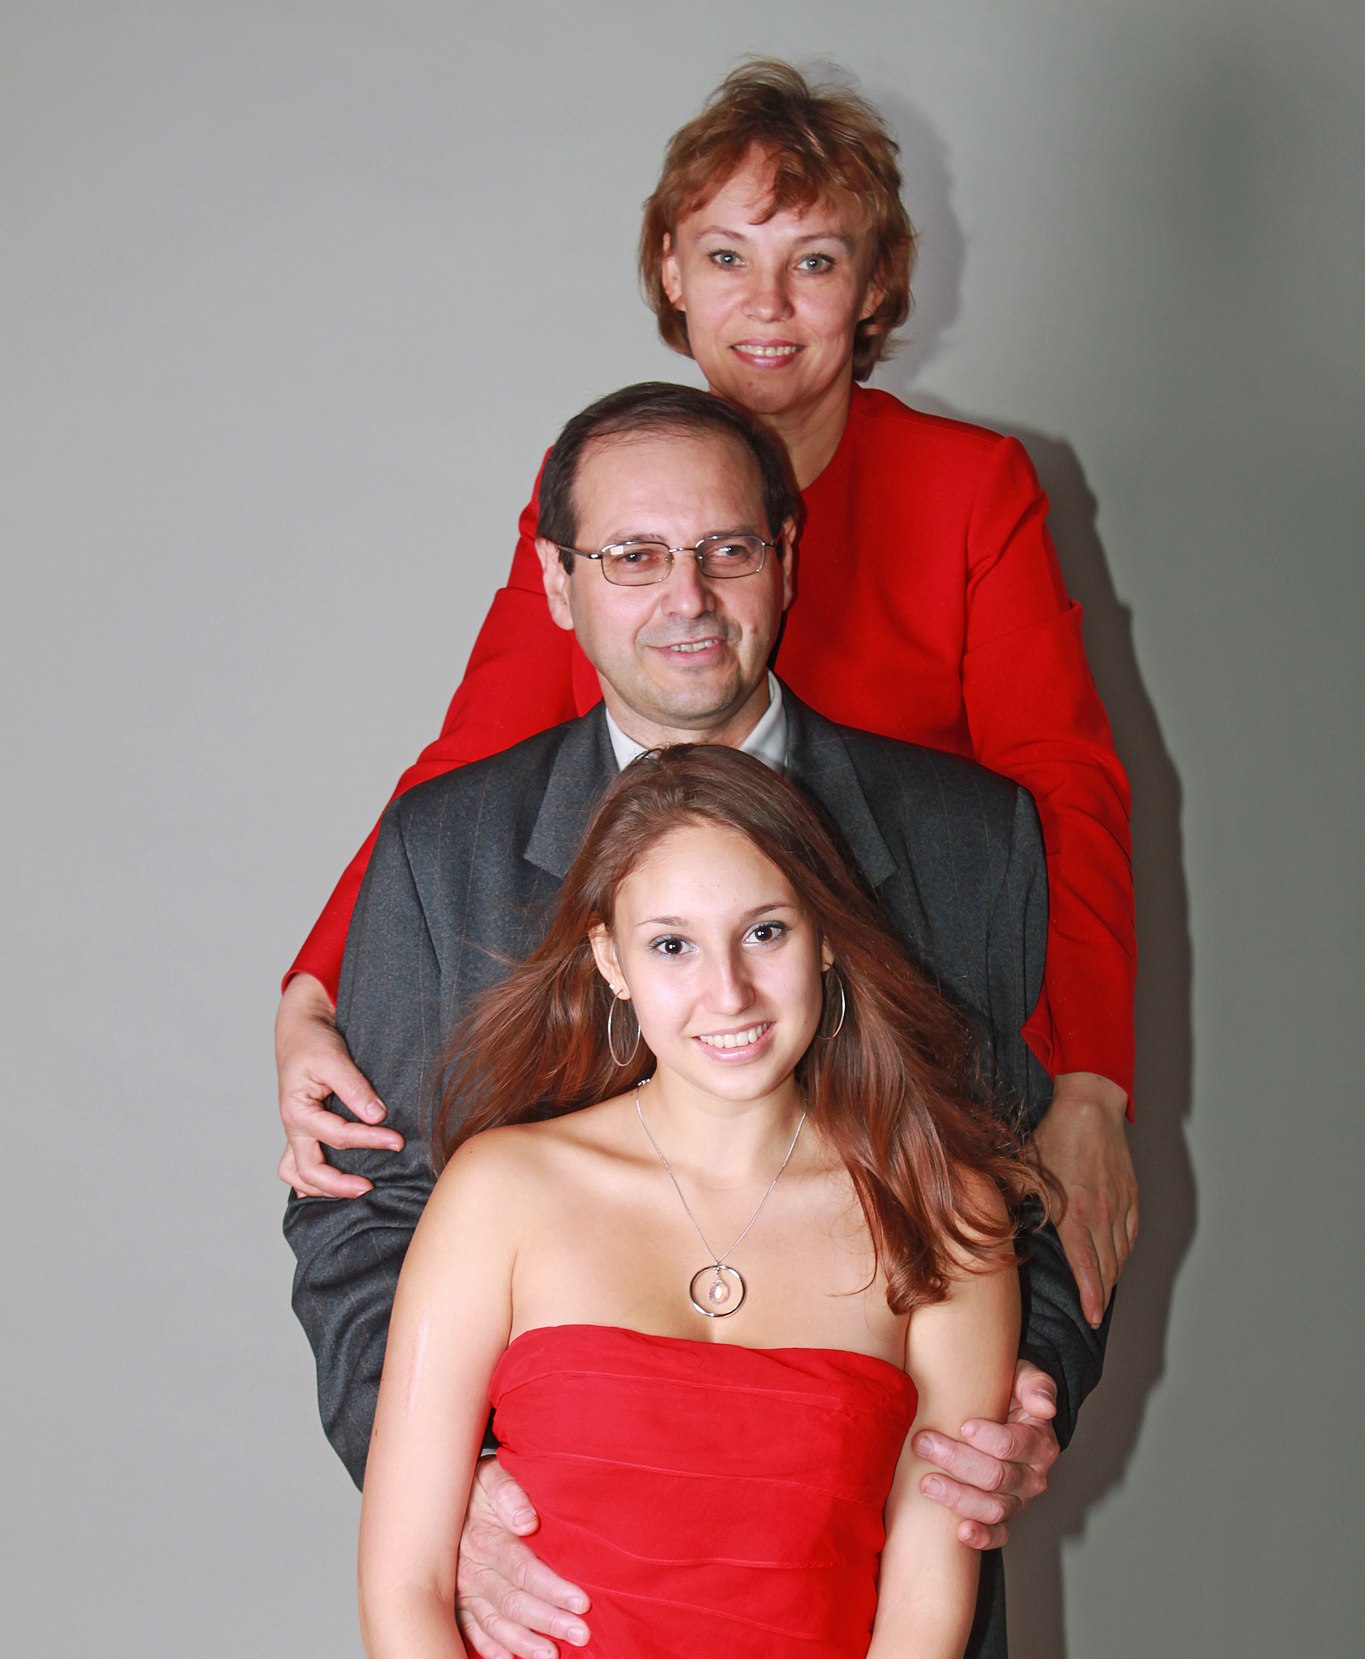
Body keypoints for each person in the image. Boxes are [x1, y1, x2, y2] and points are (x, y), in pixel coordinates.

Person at [286, 382, 1109, 1659]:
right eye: (635, 555)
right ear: (559, 579)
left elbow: (1030, 1197)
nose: (687, 595)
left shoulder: (970, 842)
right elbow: (363, 1224)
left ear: (788, 559)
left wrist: (1025, 1398)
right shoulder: (442, 850)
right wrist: (449, 1485)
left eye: (728, 550)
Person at [275, 58, 1138, 1331]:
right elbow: (469, 761)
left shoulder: (971, 487)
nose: (767, 305)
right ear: (672, 276)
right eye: (728, 257)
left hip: (890, 982)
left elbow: (1063, 788)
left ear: (876, 283)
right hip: (668, 1000)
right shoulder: (601, 487)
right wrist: (312, 990)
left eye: (815, 261)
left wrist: (1091, 1082)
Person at [359, 739, 1037, 1659]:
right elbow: (401, 1580)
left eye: (765, 931)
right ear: (610, 960)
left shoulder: (945, 1215)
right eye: (671, 944)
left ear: (826, 938)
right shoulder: (501, 1191)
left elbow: (926, 1600)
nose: (726, 990)